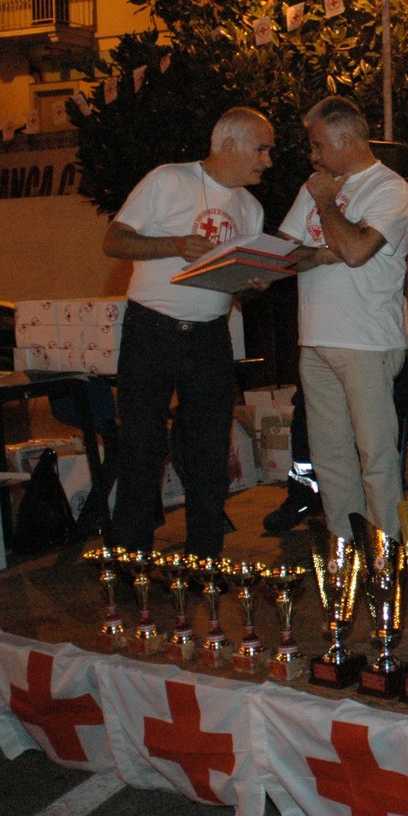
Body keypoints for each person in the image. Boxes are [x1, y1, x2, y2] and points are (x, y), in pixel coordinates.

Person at [104, 107, 274, 561]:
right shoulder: (167, 179)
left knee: (208, 453)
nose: (267, 160)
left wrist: (254, 283)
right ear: (229, 144)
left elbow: (238, 289)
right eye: (261, 148)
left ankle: (205, 559)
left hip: (209, 338)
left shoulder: (251, 209)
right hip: (151, 330)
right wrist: (174, 245)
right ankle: (130, 561)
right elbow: (114, 240)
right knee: (141, 450)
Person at [277, 95, 408, 542]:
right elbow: (284, 254)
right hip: (316, 340)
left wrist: (327, 207)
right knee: (330, 454)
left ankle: (388, 549)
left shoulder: (389, 188)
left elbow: (355, 251)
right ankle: (346, 546)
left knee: (374, 453)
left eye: (318, 145)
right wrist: (323, 252)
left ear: (346, 138)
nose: (313, 156)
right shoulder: (317, 185)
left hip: (368, 341)